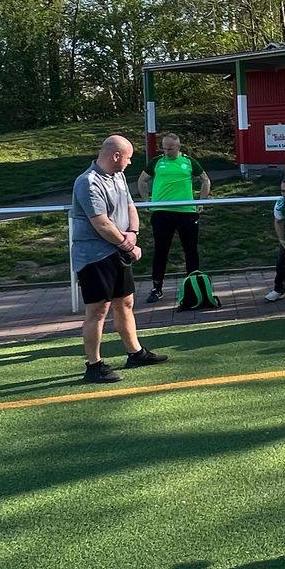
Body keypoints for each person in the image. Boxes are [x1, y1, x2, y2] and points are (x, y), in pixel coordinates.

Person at [70, 135, 166, 383]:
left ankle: (136, 353)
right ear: (115, 156)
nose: (130, 163)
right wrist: (126, 244)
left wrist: (133, 234)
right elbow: (101, 223)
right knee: (98, 309)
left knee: (125, 303)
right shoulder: (88, 182)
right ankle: (94, 365)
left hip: (116, 252)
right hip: (93, 256)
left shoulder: (118, 176)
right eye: (128, 157)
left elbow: (130, 206)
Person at [142, 132, 213, 305]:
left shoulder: (188, 161)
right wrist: (146, 201)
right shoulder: (157, 162)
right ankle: (156, 287)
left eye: (170, 149)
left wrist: (201, 202)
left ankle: (193, 284)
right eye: (164, 148)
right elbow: (142, 180)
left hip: (186, 212)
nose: (167, 151)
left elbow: (205, 180)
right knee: (161, 250)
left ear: (178, 147)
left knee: (190, 249)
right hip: (162, 212)